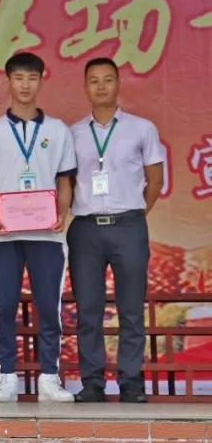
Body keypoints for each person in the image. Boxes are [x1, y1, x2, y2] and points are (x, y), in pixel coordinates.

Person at [0, 52, 77, 403]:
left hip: (47, 235)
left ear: (42, 80)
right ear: (8, 82)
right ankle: (6, 377)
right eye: (19, 78)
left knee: (49, 306)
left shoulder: (58, 131)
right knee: (6, 306)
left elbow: (65, 182)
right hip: (6, 235)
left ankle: (49, 377)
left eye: (32, 77)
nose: (25, 85)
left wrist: (63, 213)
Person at [68, 57, 164, 403]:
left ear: (119, 84)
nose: (101, 86)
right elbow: (66, 182)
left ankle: (131, 381)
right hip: (86, 230)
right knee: (88, 310)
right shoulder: (73, 133)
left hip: (128, 227)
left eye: (108, 79)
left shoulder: (142, 129)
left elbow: (155, 180)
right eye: (94, 80)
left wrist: (135, 213)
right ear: (85, 87)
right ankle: (92, 382)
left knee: (131, 309)